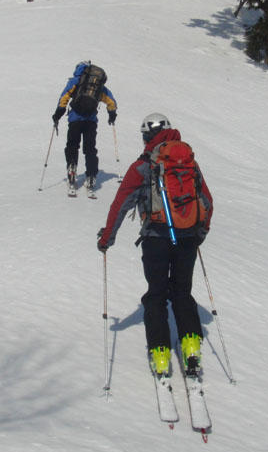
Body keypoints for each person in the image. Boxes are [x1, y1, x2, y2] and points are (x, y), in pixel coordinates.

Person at [96, 113, 213, 377]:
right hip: (187, 237)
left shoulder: (143, 165)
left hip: (155, 238)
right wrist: (200, 232)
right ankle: (192, 347)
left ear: (147, 136)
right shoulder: (189, 162)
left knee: (156, 295)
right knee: (182, 292)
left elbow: (121, 204)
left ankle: (160, 356)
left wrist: (107, 240)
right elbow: (206, 200)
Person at [52, 61, 117, 191]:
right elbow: (110, 100)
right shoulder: (97, 85)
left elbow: (64, 97)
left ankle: (71, 167)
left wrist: (58, 114)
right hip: (91, 121)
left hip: (75, 119)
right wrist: (112, 113)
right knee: (90, 149)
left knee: (72, 145)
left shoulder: (76, 81)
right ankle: (91, 175)